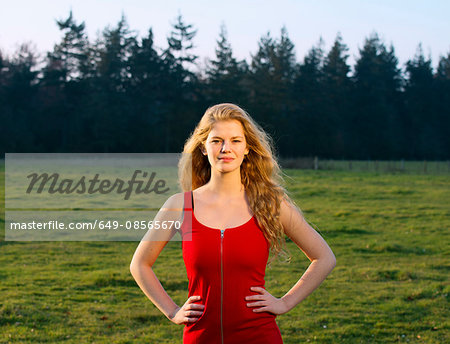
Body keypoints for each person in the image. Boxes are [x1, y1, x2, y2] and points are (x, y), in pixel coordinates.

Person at [130, 103, 336, 343]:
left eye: (236, 141)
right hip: (200, 337)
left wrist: (285, 302)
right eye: (216, 140)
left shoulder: (270, 204)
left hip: (259, 335)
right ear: (204, 148)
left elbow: (324, 258)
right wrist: (173, 311)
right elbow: (140, 264)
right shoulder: (179, 206)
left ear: (247, 148)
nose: (226, 149)